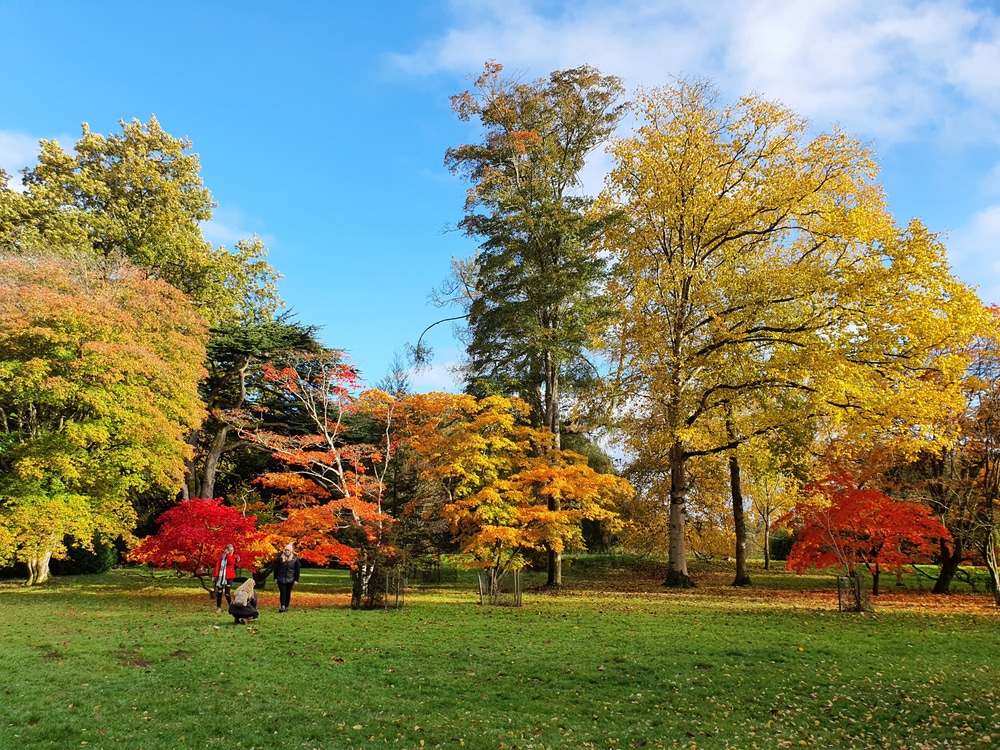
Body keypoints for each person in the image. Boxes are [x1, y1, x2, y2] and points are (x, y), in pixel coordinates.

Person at [213, 543, 240, 614]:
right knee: (219, 592)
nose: (231, 551)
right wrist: (215, 575)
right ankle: (218, 607)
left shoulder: (234, 556)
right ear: (226, 550)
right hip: (221, 577)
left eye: (232, 550)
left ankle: (231, 606)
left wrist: (227, 554)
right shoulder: (222, 557)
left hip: (229, 576)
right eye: (229, 550)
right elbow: (218, 566)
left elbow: (231, 562)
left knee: (227, 593)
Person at [273, 542, 300, 612]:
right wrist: (275, 578)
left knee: (288, 593)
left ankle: (286, 606)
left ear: (291, 551)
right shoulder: (281, 559)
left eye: (288, 550)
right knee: (283, 592)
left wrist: (296, 580)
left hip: (290, 579)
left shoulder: (295, 559)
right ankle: (283, 606)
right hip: (281, 578)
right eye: (286, 550)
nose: (287, 551)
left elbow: (297, 570)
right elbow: (276, 569)